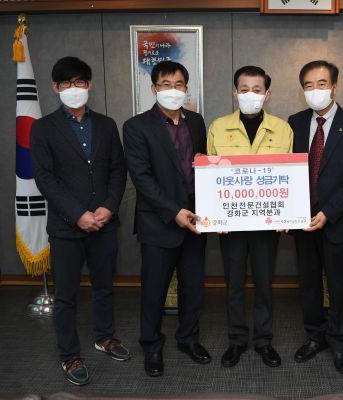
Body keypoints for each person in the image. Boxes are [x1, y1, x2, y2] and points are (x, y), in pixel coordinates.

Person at [30, 56, 128, 386]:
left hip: (104, 223)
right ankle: (70, 356)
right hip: (65, 228)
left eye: (80, 82)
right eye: (66, 83)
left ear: (90, 85)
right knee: (66, 296)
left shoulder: (106, 124)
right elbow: (45, 178)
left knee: (104, 287)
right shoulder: (42, 128)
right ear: (55, 88)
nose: (74, 88)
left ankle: (104, 337)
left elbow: (118, 170)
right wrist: (77, 214)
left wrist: (109, 207)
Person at [123, 61, 210, 377]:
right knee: (154, 290)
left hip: (195, 218)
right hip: (159, 221)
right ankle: (152, 345)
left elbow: (201, 166)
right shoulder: (136, 127)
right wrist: (174, 212)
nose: (173, 90)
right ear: (154, 89)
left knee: (193, 287)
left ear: (187, 88)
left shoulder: (196, 121)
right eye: (165, 84)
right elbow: (142, 178)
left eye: (178, 84)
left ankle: (188, 339)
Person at [207, 66, 293, 368]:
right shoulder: (218, 127)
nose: (250, 95)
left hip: (267, 224)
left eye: (257, 90)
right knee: (233, 284)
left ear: (267, 94)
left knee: (264, 284)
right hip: (231, 224)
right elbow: (211, 178)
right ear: (235, 93)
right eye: (244, 89)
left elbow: (289, 177)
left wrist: (286, 214)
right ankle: (236, 340)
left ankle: (264, 341)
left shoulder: (283, 129)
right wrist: (215, 215)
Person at [288, 60, 343, 374]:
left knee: (337, 285)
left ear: (334, 87)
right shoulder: (294, 123)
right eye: (308, 85)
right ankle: (315, 336)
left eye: (321, 84)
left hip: (337, 219)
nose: (315, 90)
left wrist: (328, 211)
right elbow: (283, 170)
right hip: (302, 220)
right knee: (308, 283)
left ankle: (338, 340)